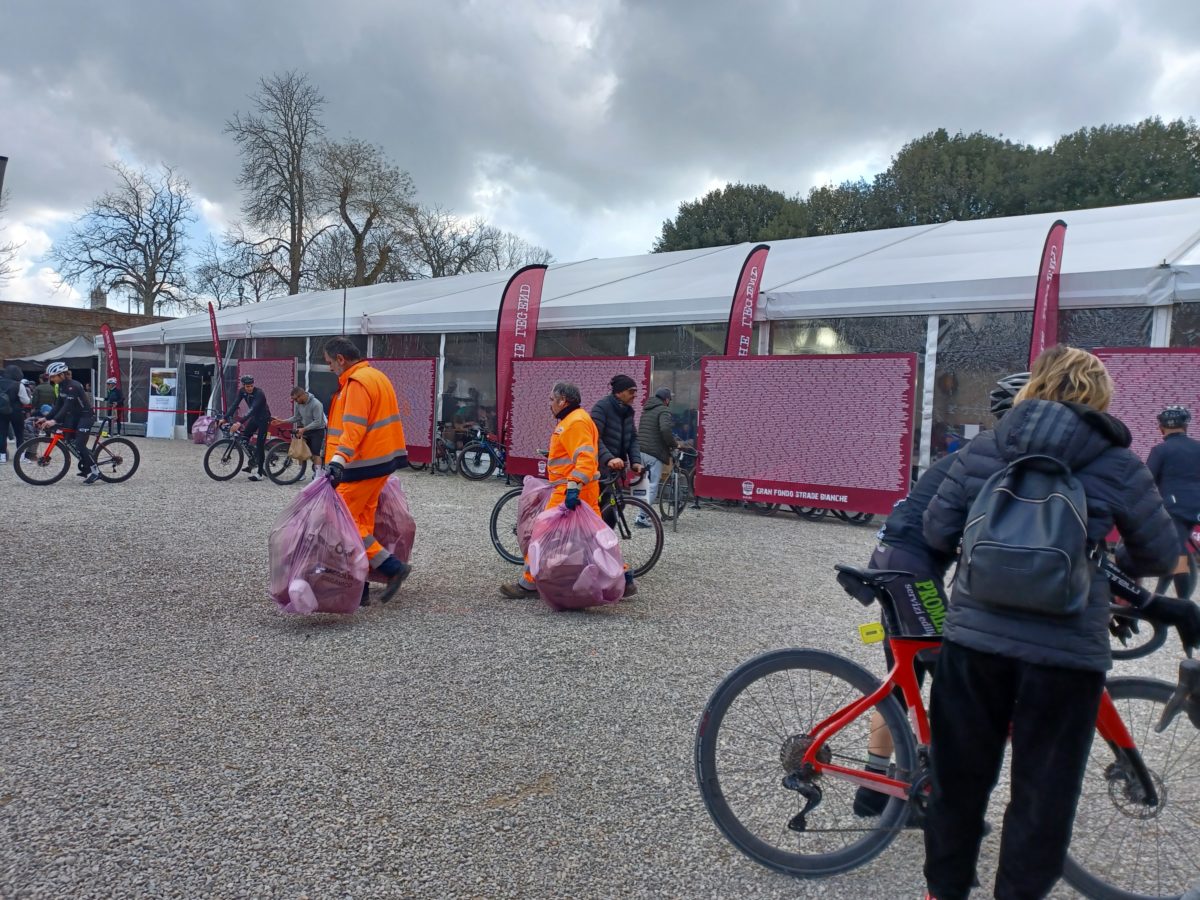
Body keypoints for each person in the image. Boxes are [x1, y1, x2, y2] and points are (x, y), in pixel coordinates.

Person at [920, 346, 1179, 900]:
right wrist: (1107, 570)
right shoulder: (1117, 462)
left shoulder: (986, 447)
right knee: (1044, 795)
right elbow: (1159, 553)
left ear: (1034, 385)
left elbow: (937, 531)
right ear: (1100, 395)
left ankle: (943, 891)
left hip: (974, 645)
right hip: (1065, 656)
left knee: (958, 783)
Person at [852, 371, 1030, 819]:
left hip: (896, 559)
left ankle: (875, 792)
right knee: (951, 679)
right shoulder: (1002, 457)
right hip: (912, 567)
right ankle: (922, 791)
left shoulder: (987, 451)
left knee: (905, 678)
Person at [500, 382, 640, 600]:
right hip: (584, 488)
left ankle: (528, 581)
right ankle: (624, 576)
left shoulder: (574, 423)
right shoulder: (578, 419)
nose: (550, 404)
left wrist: (573, 484)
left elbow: (584, 459)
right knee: (594, 537)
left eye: (551, 399)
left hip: (569, 489)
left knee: (542, 533)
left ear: (562, 400)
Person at [322, 337, 411, 605]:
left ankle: (393, 568)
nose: (329, 369)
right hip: (380, 462)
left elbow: (354, 428)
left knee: (340, 521)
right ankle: (359, 589)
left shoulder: (356, 383)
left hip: (360, 465)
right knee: (361, 523)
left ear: (341, 359)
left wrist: (338, 459)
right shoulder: (377, 377)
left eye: (329, 363)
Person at [1146, 405, 1200, 600]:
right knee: (1178, 549)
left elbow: (1147, 480)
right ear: (1186, 426)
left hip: (1174, 508)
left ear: (1161, 428)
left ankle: (1183, 603)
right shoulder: (1198, 447)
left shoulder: (1160, 450)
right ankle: (1158, 595)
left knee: (1178, 554)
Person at [36, 361, 102, 484]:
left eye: (53, 376)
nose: (51, 379)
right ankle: (86, 463)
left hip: (86, 416)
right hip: (74, 416)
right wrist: (46, 418)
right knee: (68, 440)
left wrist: (54, 420)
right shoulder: (61, 386)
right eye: (50, 376)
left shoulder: (73, 386)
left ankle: (95, 471)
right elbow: (58, 405)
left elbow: (67, 406)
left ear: (62, 375)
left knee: (79, 444)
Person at [634, 387, 679, 527]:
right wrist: (673, 444)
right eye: (669, 400)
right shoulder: (663, 410)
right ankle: (642, 516)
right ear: (666, 400)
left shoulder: (646, 409)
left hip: (640, 450)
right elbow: (665, 429)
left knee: (643, 483)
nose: (669, 402)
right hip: (654, 453)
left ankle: (640, 513)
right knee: (653, 485)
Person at [221, 375, 272, 481]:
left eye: (251, 386)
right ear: (243, 386)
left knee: (259, 445)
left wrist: (239, 423)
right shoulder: (242, 392)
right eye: (247, 386)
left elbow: (252, 409)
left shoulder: (259, 393)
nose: (249, 388)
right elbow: (235, 405)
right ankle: (254, 460)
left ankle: (260, 474)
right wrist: (224, 418)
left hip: (263, 419)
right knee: (244, 439)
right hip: (254, 418)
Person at [275, 385, 327, 480]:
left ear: (301, 396)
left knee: (316, 453)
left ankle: (319, 474)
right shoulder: (299, 404)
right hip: (306, 429)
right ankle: (301, 473)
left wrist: (303, 429)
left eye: (295, 399)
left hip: (317, 430)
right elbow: (296, 417)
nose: (295, 401)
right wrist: (283, 421)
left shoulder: (316, 404)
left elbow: (318, 422)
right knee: (300, 450)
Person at [0, 364, 24, 464]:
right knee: (19, 434)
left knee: (2, 434)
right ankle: (21, 457)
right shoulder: (19, 384)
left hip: (1, 412)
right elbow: (26, 401)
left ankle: (2, 457)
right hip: (16, 412)